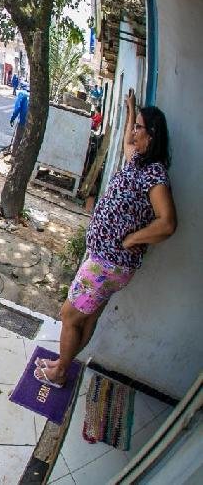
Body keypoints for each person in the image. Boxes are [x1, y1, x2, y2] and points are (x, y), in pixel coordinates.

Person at [34, 88, 177, 389]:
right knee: (85, 318)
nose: (134, 132)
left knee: (69, 314)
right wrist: (130, 112)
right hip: (107, 259)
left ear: (152, 135)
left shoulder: (155, 174)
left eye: (140, 127)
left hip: (110, 262)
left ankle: (60, 373)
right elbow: (126, 142)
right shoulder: (137, 161)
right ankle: (63, 363)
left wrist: (133, 237)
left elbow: (168, 223)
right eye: (135, 125)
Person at [9, 84, 29, 154]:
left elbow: (17, 108)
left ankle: (14, 156)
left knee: (17, 139)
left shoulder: (22, 94)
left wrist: (12, 118)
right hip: (31, 123)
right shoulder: (32, 96)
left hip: (23, 121)